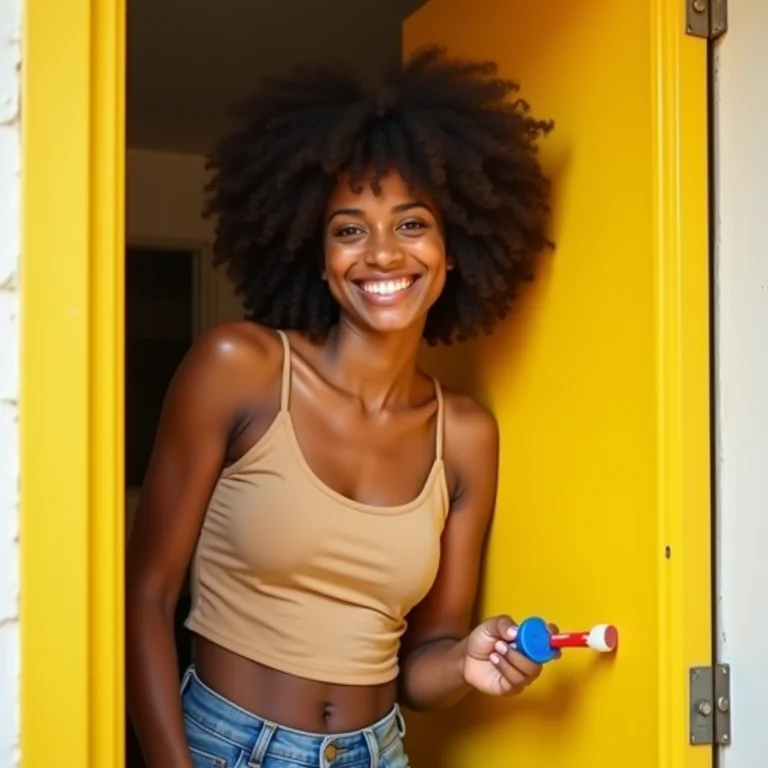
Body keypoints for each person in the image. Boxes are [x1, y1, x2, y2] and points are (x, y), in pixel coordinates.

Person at [126, 46, 555, 768]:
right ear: (318, 259)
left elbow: (425, 664)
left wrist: (470, 663)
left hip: (376, 751)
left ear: (453, 253)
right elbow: (145, 595)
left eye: (412, 224)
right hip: (222, 747)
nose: (382, 253)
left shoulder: (468, 436)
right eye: (350, 229)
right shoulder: (241, 370)